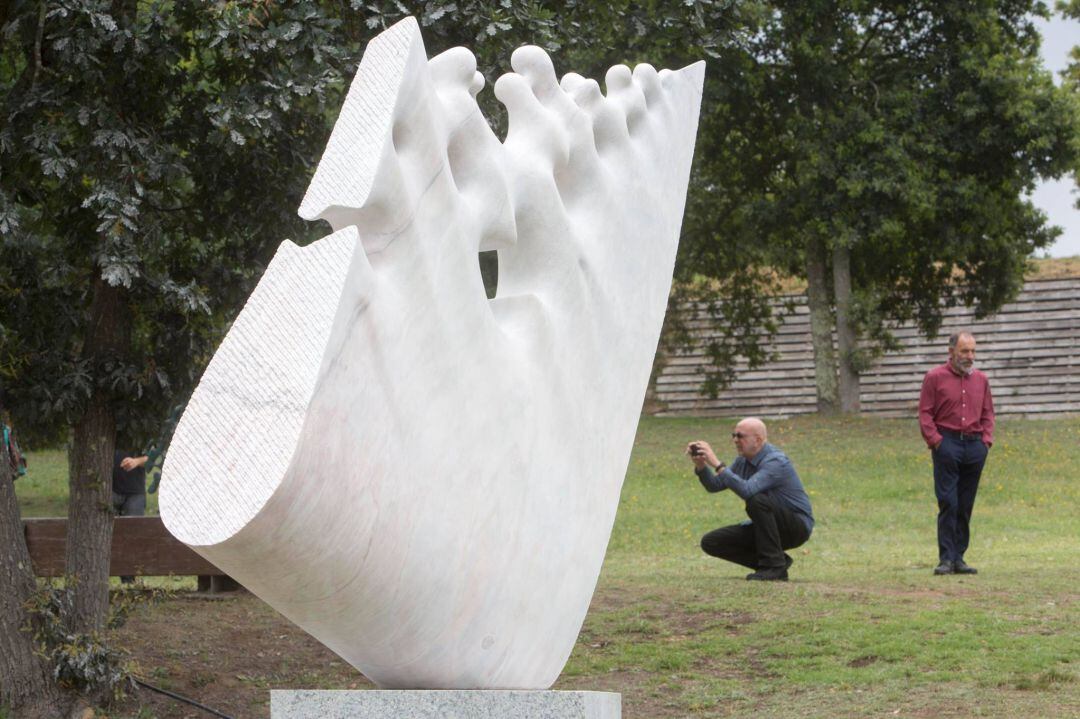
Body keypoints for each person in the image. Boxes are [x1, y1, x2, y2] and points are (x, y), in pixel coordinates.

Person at [686, 418, 814, 581]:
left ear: (758, 440)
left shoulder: (776, 461)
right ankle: (778, 562)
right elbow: (715, 485)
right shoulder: (743, 460)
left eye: (740, 436)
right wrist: (701, 466)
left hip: (796, 527)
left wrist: (717, 464)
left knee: (756, 500)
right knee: (711, 542)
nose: (735, 440)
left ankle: (773, 567)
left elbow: (748, 491)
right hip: (768, 526)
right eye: (734, 435)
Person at [918, 331, 994, 576]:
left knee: (965, 504)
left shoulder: (982, 380)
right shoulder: (934, 377)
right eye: (964, 351)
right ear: (951, 351)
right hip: (947, 443)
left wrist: (986, 442)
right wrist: (936, 441)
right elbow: (925, 413)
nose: (970, 356)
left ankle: (959, 558)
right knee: (948, 502)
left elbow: (988, 413)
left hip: (974, 446)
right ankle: (945, 559)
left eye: (973, 351)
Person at [113, 451, 149, 583]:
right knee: (107, 536)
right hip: (110, 490)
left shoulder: (140, 434)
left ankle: (128, 581)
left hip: (135, 493)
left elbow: (155, 456)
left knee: (133, 536)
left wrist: (136, 461)